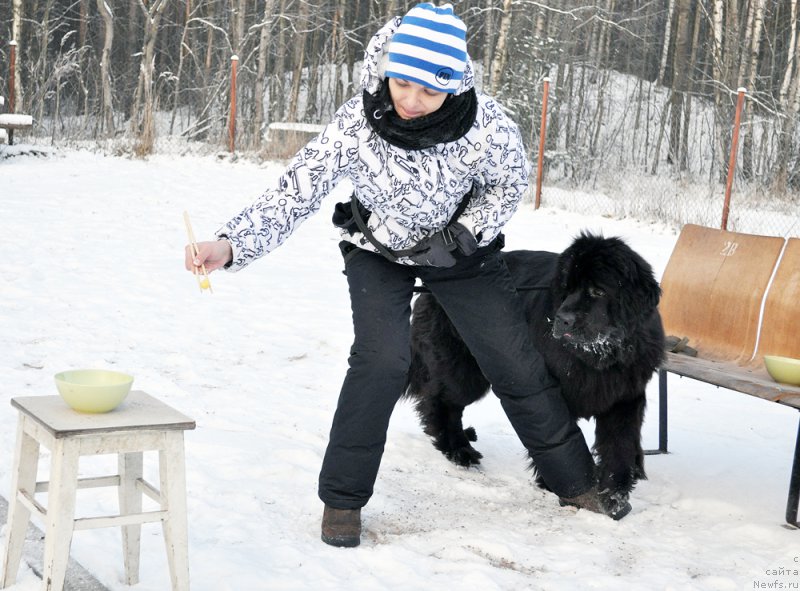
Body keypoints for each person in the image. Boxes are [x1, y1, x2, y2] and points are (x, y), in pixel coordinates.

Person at [185, 2, 629, 549]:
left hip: (460, 253)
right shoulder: (357, 122)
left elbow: (507, 185)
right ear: (387, 70)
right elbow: (297, 190)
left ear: (453, 85)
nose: (412, 101)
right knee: (381, 359)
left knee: (514, 360)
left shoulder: (486, 125)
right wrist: (230, 244)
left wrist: (464, 233)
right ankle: (343, 500)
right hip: (378, 249)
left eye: (429, 91)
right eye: (402, 84)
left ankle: (578, 483)